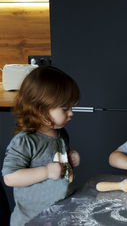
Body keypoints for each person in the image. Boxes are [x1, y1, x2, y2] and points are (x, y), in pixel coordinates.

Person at [2, 66, 81, 225]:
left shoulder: (61, 134)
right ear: (40, 109)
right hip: (31, 221)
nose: (71, 113)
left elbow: (60, 165)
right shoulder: (26, 141)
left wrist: (71, 157)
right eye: (65, 109)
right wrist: (45, 171)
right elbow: (10, 177)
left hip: (59, 215)